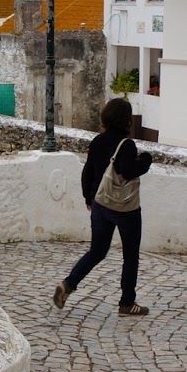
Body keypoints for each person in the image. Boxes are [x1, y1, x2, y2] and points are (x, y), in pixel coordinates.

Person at [54, 97, 154, 316]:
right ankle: (127, 303)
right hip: (126, 210)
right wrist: (146, 159)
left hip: (100, 205)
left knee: (97, 251)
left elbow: (87, 171)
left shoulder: (98, 141)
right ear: (126, 120)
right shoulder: (126, 145)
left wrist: (89, 199)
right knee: (130, 255)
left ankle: (68, 284)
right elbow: (128, 171)